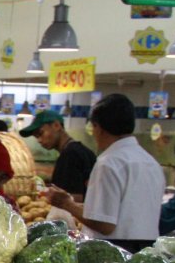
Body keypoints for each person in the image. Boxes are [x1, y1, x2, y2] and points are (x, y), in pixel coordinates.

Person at [45, 94, 166, 252]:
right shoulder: (151, 162)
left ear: (98, 128)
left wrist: (66, 204)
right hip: (147, 250)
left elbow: (104, 223)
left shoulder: (109, 162)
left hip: (114, 251)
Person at [21, 109, 96, 198]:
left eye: (41, 133)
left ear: (56, 125)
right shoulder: (82, 151)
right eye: (36, 137)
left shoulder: (70, 155)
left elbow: (74, 199)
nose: (39, 140)